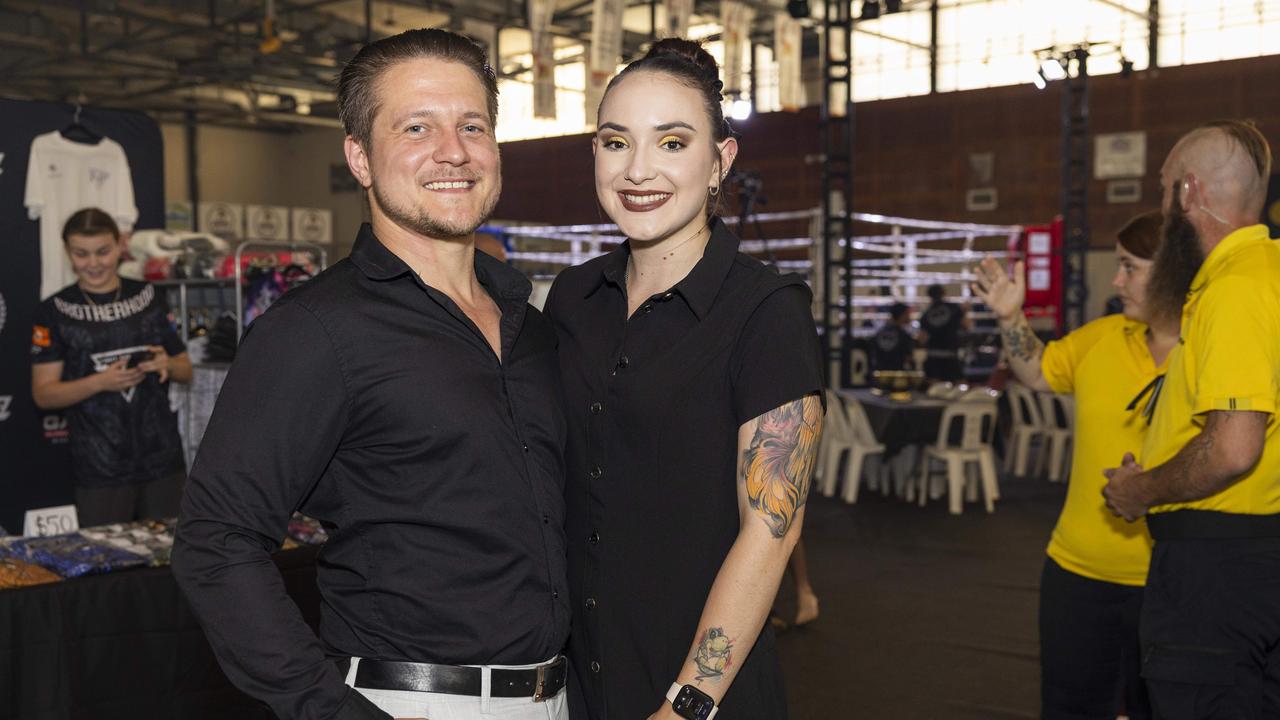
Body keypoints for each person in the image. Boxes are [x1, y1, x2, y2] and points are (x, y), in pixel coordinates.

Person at [172, 29, 570, 720]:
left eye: (472, 125)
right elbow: (215, 541)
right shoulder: (317, 331)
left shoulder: (532, 328)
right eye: (418, 127)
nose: (454, 150)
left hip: (556, 697)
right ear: (359, 155)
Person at [544, 39, 825, 720]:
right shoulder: (572, 298)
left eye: (672, 143)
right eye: (616, 143)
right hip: (575, 683)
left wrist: (688, 701)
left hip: (701, 692)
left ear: (719, 162)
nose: (638, 170)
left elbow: (772, 531)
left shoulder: (765, 311)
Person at [1101, 120, 1280, 719]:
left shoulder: (1233, 289)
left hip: (1218, 574)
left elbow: (1233, 450)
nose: (1162, 204)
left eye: (1163, 190)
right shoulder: (1269, 274)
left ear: (1187, 194)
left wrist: (1139, 491)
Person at [973, 209, 1174, 720]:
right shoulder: (1105, 336)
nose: (1116, 279)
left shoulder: (1213, 350)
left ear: (1173, 269)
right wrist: (1009, 317)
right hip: (1078, 574)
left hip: (1175, 581)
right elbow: (1037, 372)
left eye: (1130, 267)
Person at [30, 207, 192, 527]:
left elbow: (187, 369)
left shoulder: (149, 295)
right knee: (108, 573)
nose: (93, 263)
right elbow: (44, 395)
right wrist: (100, 382)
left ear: (120, 246)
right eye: (81, 254)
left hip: (163, 462)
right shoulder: (53, 311)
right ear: (67, 253)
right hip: (99, 469)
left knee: (171, 567)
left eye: (103, 252)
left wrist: (167, 364)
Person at [918, 283, 970, 382]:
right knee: (958, 388)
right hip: (950, 356)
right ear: (943, 293)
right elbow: (966, 325)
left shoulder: (926, 314)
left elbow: (922, 339)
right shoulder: (954, 308)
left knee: (933, 390)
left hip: (933, 357)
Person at [871, 302, 915, 373]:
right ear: (902, 315)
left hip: (880, 375)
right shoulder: (904, 335)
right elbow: (908, 358)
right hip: (896, 376)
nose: (909, 316)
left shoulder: (879, 333)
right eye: (907, 313)